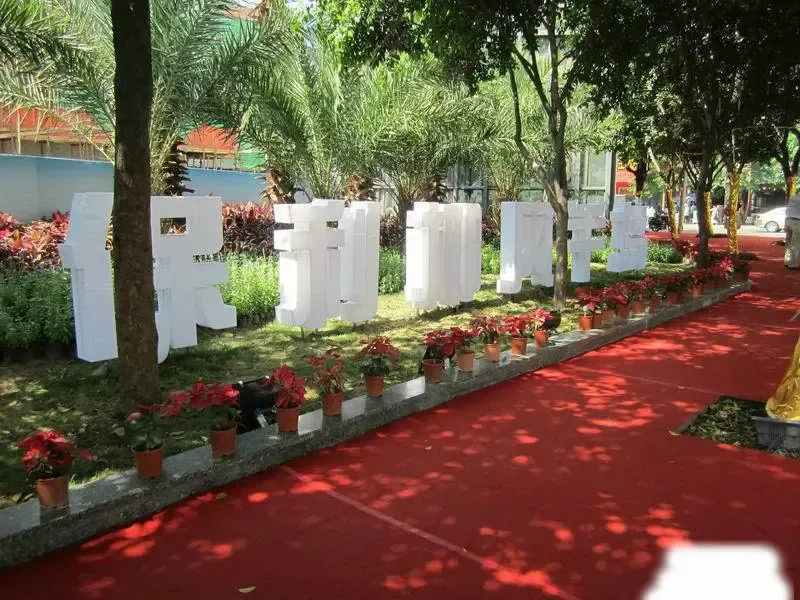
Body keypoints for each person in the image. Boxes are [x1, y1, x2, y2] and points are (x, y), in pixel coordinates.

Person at [785, 194, 800, 268]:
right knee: (796, 244)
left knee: (789, 243)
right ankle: (793, 264)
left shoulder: (792, 198)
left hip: (788, 220)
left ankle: (787, 261)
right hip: (797, 221)